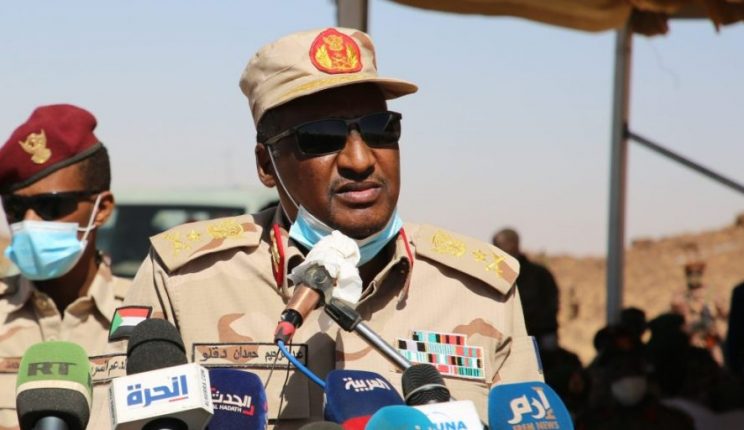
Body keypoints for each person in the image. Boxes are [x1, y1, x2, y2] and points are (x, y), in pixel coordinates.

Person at [119, 27, 542, 427]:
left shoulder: (479, 289)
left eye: (380, 130)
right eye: (320, 137)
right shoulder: (184, 280)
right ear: (267, 165)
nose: (360, 160)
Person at [0, 104, 130, 428]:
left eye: (51, 205)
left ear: (102, 209)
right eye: (15, 207)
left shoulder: (150, 319)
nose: (29, 221)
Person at [493, 228, 560, 345]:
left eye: (500, 245)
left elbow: (549, 308)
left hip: (537, 339)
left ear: (513, 244)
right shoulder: (491, 275)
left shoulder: (539, 275)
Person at [670, 261, 727, 365]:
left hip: (710, 339)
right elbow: (674, 320)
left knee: (718, 360)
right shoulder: (679, 297)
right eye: (690, 274)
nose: (694, 277)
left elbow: (724, 314)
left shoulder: (711, 293)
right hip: (690, 340)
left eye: (697, 274)